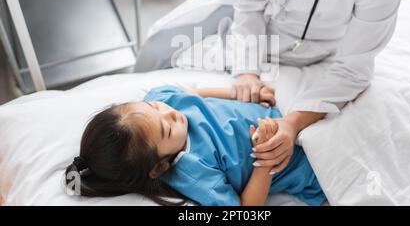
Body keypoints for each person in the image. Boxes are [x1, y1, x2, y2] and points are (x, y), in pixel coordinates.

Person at [231, 0, 402, 175]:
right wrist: (246, 71)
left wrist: (293, 123)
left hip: (322, 55)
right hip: (256, 32)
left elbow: (353, 68)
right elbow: (249, 5)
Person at [65, 85, 325, 206]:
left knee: (336, 92)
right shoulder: (193, 173)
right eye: (168, 130)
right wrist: (265, 160)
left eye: (156, 108)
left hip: (283, 109)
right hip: (306, 163)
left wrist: (239, 92)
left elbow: (196, 94)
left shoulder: (162, 100)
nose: (172, 114)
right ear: (159, 167)